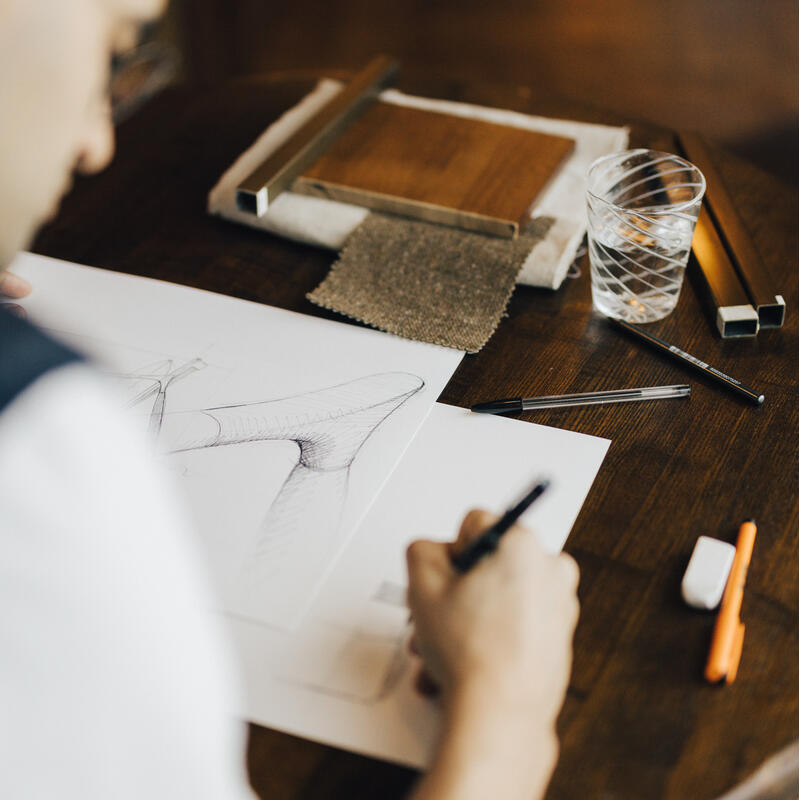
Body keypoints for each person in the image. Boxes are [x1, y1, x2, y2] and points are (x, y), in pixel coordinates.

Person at [0, 1, 580, 797]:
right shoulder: (38, 449)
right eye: (112, 46)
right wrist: (508, 710)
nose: (97, 139)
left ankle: (285, 428)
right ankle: (302, 430)